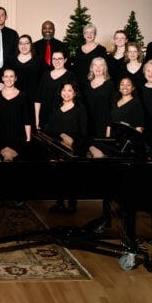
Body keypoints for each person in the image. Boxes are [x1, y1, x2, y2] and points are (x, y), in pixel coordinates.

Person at [44, 82, 91, 213]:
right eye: (63, 90)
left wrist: (72, 142)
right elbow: (50, 129)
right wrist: (60, 137)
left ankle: (72, 203)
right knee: (58, 177)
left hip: (73, 148)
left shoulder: (80, 109)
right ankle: (59, 203)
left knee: (71, 177)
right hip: (57, 147)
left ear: (75, 93)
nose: (66, 93)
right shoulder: (55, 107)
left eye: (69, 90)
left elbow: (84, 132)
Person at [0, 68, 33, 163]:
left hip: (18, 138)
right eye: (6, 76)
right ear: (2, 78)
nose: (9, 79)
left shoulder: (23, 96)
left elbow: (27, 119)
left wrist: (28, 139)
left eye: (11, 76)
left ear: (15, 78)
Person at [34, 50, 78, 130]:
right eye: (54, 59)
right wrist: (37, 119)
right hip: (45, 117)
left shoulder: (71, 76)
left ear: (65, 60)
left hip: (62, 117)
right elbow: (38, 99)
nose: (57, 61)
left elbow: (74, 99)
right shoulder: (45, 76)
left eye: (60, 59)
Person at [82, 56, 117, 141]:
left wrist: (109, 126)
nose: (98, 68)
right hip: (88, 124)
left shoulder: (110, 85)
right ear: (91, 68)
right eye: (95, 65)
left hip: (103, 124)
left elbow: (113, 107)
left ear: (104, 68)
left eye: (101, 65)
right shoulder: (86, 84)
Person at [5, 34, 40, 98]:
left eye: (26, 43)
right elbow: (2, 79)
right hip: (14, 97)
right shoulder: (10, 60)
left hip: (33, 98)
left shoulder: (39, 60)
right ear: (18, 45)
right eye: (21, 43)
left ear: (31, 45)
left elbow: (45, 79)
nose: (24, 46)